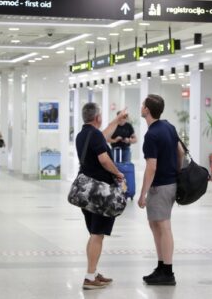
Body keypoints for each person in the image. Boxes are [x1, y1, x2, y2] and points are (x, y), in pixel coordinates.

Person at [76, 102, 127, 290]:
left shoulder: (84, 134)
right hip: (101, 192)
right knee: (97, 234)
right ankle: (90, 277)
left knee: (93, 234)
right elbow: (104, 159)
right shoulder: (94, 135)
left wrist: (116, 120)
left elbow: (102, 137)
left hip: (87, 191)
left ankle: (93, 271)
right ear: (97, 117)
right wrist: (118, 174)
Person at [138, 94, 184, 286]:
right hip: (169, 183)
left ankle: (168, 271)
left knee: (163, 226)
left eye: (143, 105)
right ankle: (161, 266)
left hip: (160, 186)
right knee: (155, 225)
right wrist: (177, 172)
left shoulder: (151, 135)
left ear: (147, 110)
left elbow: (151, 167)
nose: (141, 107)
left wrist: (142, 194)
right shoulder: (169, 127)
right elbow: (180, 151)